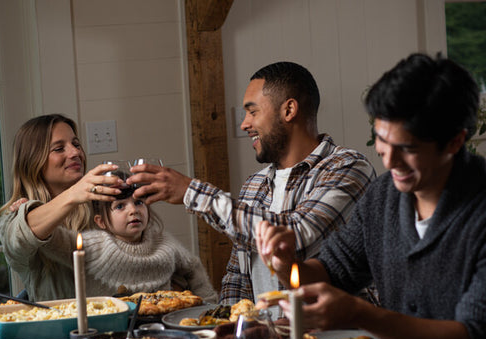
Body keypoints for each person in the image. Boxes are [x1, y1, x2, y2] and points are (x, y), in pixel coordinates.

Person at [256, 53, 486, 339]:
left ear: (455, 142)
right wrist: (285, 265)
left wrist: (359, 314)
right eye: (381, 139)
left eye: (407, 148)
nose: (388, 161)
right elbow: (329, 274)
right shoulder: (383, 197)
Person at [127, 61, 376, 304]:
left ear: (289, 110)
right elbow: (239, 275)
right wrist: (229, 328)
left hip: (338, 337)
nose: (244, 123)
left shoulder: (347, 167)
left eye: (253, 111)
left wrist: (191, 192)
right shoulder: (254, 184)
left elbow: (297, 234)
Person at [0, 114, 122, 301]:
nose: (75, 153)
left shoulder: (101, 206)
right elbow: (21, 236)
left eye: (76, 144)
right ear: (33, 161)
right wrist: (74, 194)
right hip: (56, 328)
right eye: (59, 148)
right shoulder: (15, 214)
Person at [81, 193, 218, 302]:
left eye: (139, 202)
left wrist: (207, 303)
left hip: (162, 317)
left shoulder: (163, 241)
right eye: (120, 206)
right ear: (101, 221)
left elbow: (193, 267)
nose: (133, 210)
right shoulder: (97, 245)